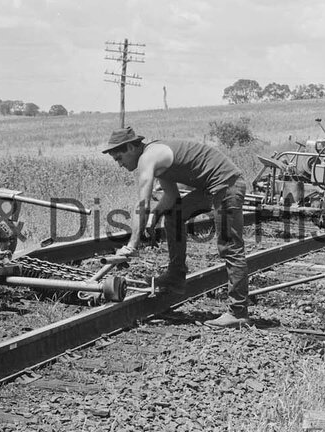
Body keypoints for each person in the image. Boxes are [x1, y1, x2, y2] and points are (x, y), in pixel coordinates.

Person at [104, 127, 250, 328]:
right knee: (173, 216)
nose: (120, 164)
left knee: (230, 248)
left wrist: (132, 245)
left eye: (119, 158)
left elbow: (142, 204)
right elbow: (171, 197)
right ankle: (175, 276)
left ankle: (238, 312)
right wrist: (155, 215)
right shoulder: (157, 156)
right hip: (212, 188)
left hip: (227, 185)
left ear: (130, 147)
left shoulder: (148, 158)